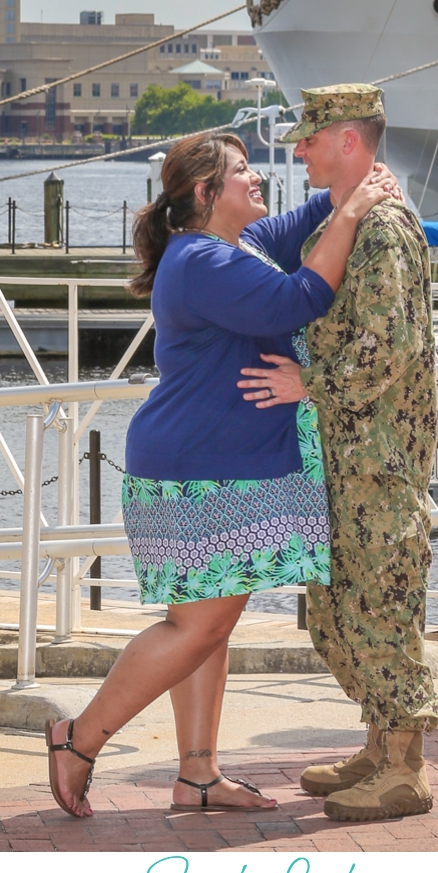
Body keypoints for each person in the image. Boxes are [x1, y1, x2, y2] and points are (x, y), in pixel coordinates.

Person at [44, 127, 399, 820]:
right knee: (197, 627)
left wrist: (348, 178)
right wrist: (353, 211)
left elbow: (304, 220)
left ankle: (198, 774)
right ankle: (78, 738)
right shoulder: (202, 260)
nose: (257, 178)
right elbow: (297, 301)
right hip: (199, 470)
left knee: (207, 622)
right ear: (206, 193)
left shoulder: (240, 244)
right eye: (242, 171)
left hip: (211, 465)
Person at [239, 84, 438, 821]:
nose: (298, 150)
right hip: (344, 453)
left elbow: (390, 344)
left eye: (311, 138)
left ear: (348, 140)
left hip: (376, 460)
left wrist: (307, 380)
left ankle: (404, 767)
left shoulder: (385, 229)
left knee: (380, 607)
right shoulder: (351, 216)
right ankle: (380, 742)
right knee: (338, 609)